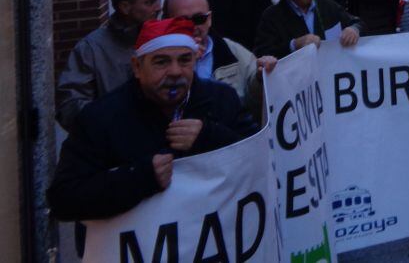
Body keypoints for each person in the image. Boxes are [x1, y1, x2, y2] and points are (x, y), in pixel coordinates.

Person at [47, 18, 257, 221]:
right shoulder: (101, 117)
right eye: (161, 62)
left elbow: (258, 155)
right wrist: (139, 177)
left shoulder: (221, 99)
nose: (175, 72)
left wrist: (210, 136)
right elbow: (63, 199)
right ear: (137, 67)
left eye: (185, 60)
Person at [55, 0, 162, 132]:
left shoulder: (163, 39)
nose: (158, 7)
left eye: (158, 0)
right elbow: (69, 106)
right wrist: (113, 126)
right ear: (125, 7)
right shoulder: (91, 49)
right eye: (150, 2)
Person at [164, 0, 276, 121]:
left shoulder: (233, 51)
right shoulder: (157, 59)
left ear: (209, 19)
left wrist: (260, 78)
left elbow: (255, 105)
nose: (192, 26)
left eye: (199, 19)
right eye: (182, 21)